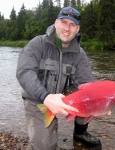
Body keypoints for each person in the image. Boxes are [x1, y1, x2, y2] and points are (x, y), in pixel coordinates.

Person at [16, 7, 102, 150]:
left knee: (89, 96)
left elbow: (87, 83)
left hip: (63, 96)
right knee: (44, 146)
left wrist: (103, 103)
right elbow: (24, 72)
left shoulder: (79, 54)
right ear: (56, 23)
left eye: (72, 24)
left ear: (77, 29)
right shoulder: (37, 44)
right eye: (64, 22)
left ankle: (80, 133)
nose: (67, 28)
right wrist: (46, 97)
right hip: (37, 99)